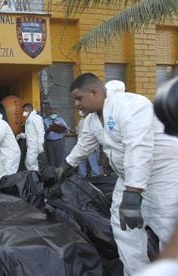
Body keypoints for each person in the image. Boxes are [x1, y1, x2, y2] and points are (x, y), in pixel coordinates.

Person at [55, 73, 178, 275]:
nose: (76, 104)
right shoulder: (93, 120)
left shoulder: (129, 105)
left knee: (165, 224)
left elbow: (139, 147)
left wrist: (133, 192)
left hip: (162, 173)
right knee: (123, 226)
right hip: (128, 177)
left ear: (95, 92)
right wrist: (65, 166)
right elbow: (84, 145)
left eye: (79, 98)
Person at [16, 103, 45, 171]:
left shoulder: (36, 117)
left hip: (35, 145)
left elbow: (40, 131)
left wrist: (40, 144)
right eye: (24, 110)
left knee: (29, 163)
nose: (24, 112)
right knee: (31, 163)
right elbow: (29, 134)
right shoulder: (29, 119)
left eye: (25, 110)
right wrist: (21, 135)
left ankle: (34, 178)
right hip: (30, 145)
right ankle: (36, 178)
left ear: (29, 109)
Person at [76, 111, 100, 177]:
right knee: (81, 164)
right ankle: (81, 178)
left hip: (90, 146)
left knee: (93, 164)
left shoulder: (91, 120)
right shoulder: (81, 121)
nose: (81, 112)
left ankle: (96, 178)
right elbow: (79, 133)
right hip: (81, 146)